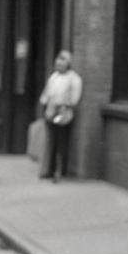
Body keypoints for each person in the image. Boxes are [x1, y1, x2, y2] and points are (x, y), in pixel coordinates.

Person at [39, 50, 83, 181]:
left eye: (62, 64)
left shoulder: (74, 79)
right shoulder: (54, 77)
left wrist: (63, 104)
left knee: (60, 140)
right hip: (50, 111)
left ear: (68, 64)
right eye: (57, 64)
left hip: (63, 113)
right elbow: (46, 94)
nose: (58, 66)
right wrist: (45, 102)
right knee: (50, 140)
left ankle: (61, 170)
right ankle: (49, 169)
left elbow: (75, 99)